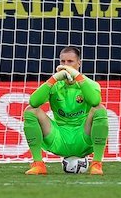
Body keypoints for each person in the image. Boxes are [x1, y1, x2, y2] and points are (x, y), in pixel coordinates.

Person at [22, 46, 108, 175]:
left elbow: (95, 101)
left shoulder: (90, 84)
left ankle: (96, 164)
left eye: (70, 62)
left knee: (100, 109)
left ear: (79, 63)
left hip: (83, 137)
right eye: (63, 62)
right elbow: (33, 102)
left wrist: (77, 76)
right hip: (58, 138)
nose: (66, 65)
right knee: (30, 111)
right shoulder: (54, 84)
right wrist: (54, 79)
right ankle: (38, 164)